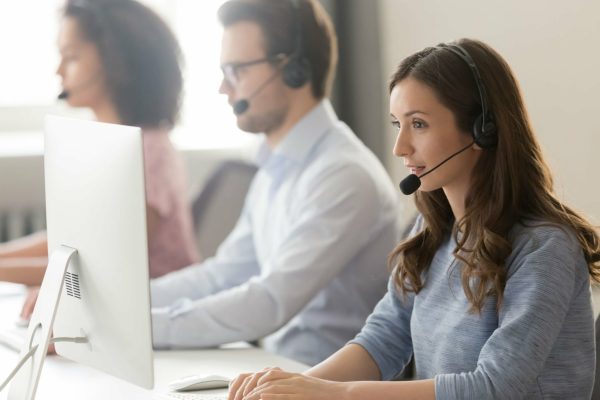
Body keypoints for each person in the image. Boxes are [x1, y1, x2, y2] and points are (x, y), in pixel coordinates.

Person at [227, 38, 600, 399]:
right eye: (397, 124)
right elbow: (384, 339)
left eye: (418, 124)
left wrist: (334, 394)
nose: (400, 147)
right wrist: (291, 389)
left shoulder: (545, 248)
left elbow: (494, 388)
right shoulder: (432, 232)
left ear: (481, 130)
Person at [150, 0, 400, 366]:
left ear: (294, 70)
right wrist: (122, 305)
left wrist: (147, 328)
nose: (224, 88)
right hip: (276, 371)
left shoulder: (345, 175)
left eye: (236, 71)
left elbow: (270, 301)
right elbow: (222, 275)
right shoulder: (274, 167)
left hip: (321, 382)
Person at [1, 0, 200, 303]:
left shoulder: (148, 152)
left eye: (71, 57)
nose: (58, 70)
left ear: (115, 62)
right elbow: (69, 242)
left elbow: (103, 267)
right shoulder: (103, 145)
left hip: (156, 315)